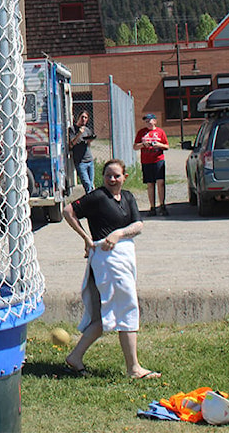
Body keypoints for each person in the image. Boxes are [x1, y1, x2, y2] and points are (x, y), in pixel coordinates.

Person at [62, 159, 161, 380]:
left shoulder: (127, 197)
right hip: (108, 259)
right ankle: (134, 368)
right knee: (127, 306)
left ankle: (75, 357)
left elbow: (138, 225)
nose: (112, 179)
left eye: (116, 175)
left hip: (125, 256)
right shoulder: (98, 196)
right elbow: (68, 211)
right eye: (108, 175)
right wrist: (87, 238)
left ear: (125, 177)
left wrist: (119, 233)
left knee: (104, 315)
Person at [133, 113, 170, 216]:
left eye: (149, 120)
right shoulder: (142, 132)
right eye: (146, 121)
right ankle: (152, 207)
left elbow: (167, 146)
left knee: (160, 182)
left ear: (154, 121)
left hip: (158, 160)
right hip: (146, 161)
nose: (148, 123)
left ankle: (162, 205)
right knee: (150, 184)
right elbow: (135, 147)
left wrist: (159, 145)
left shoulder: (160, 132)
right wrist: (143, 144)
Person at [69, 111, 96, 193]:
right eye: (82, 117)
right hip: (80, 162)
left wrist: (90, 140)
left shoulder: (87, 130)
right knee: (87, 184)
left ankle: (91, 201)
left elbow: (88, 143)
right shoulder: (72, 129)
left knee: (91, 184)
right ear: (78, 117)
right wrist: (79, 134)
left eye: (86, 118)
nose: (83, 119)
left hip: (89, 160)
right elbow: (71, 144)